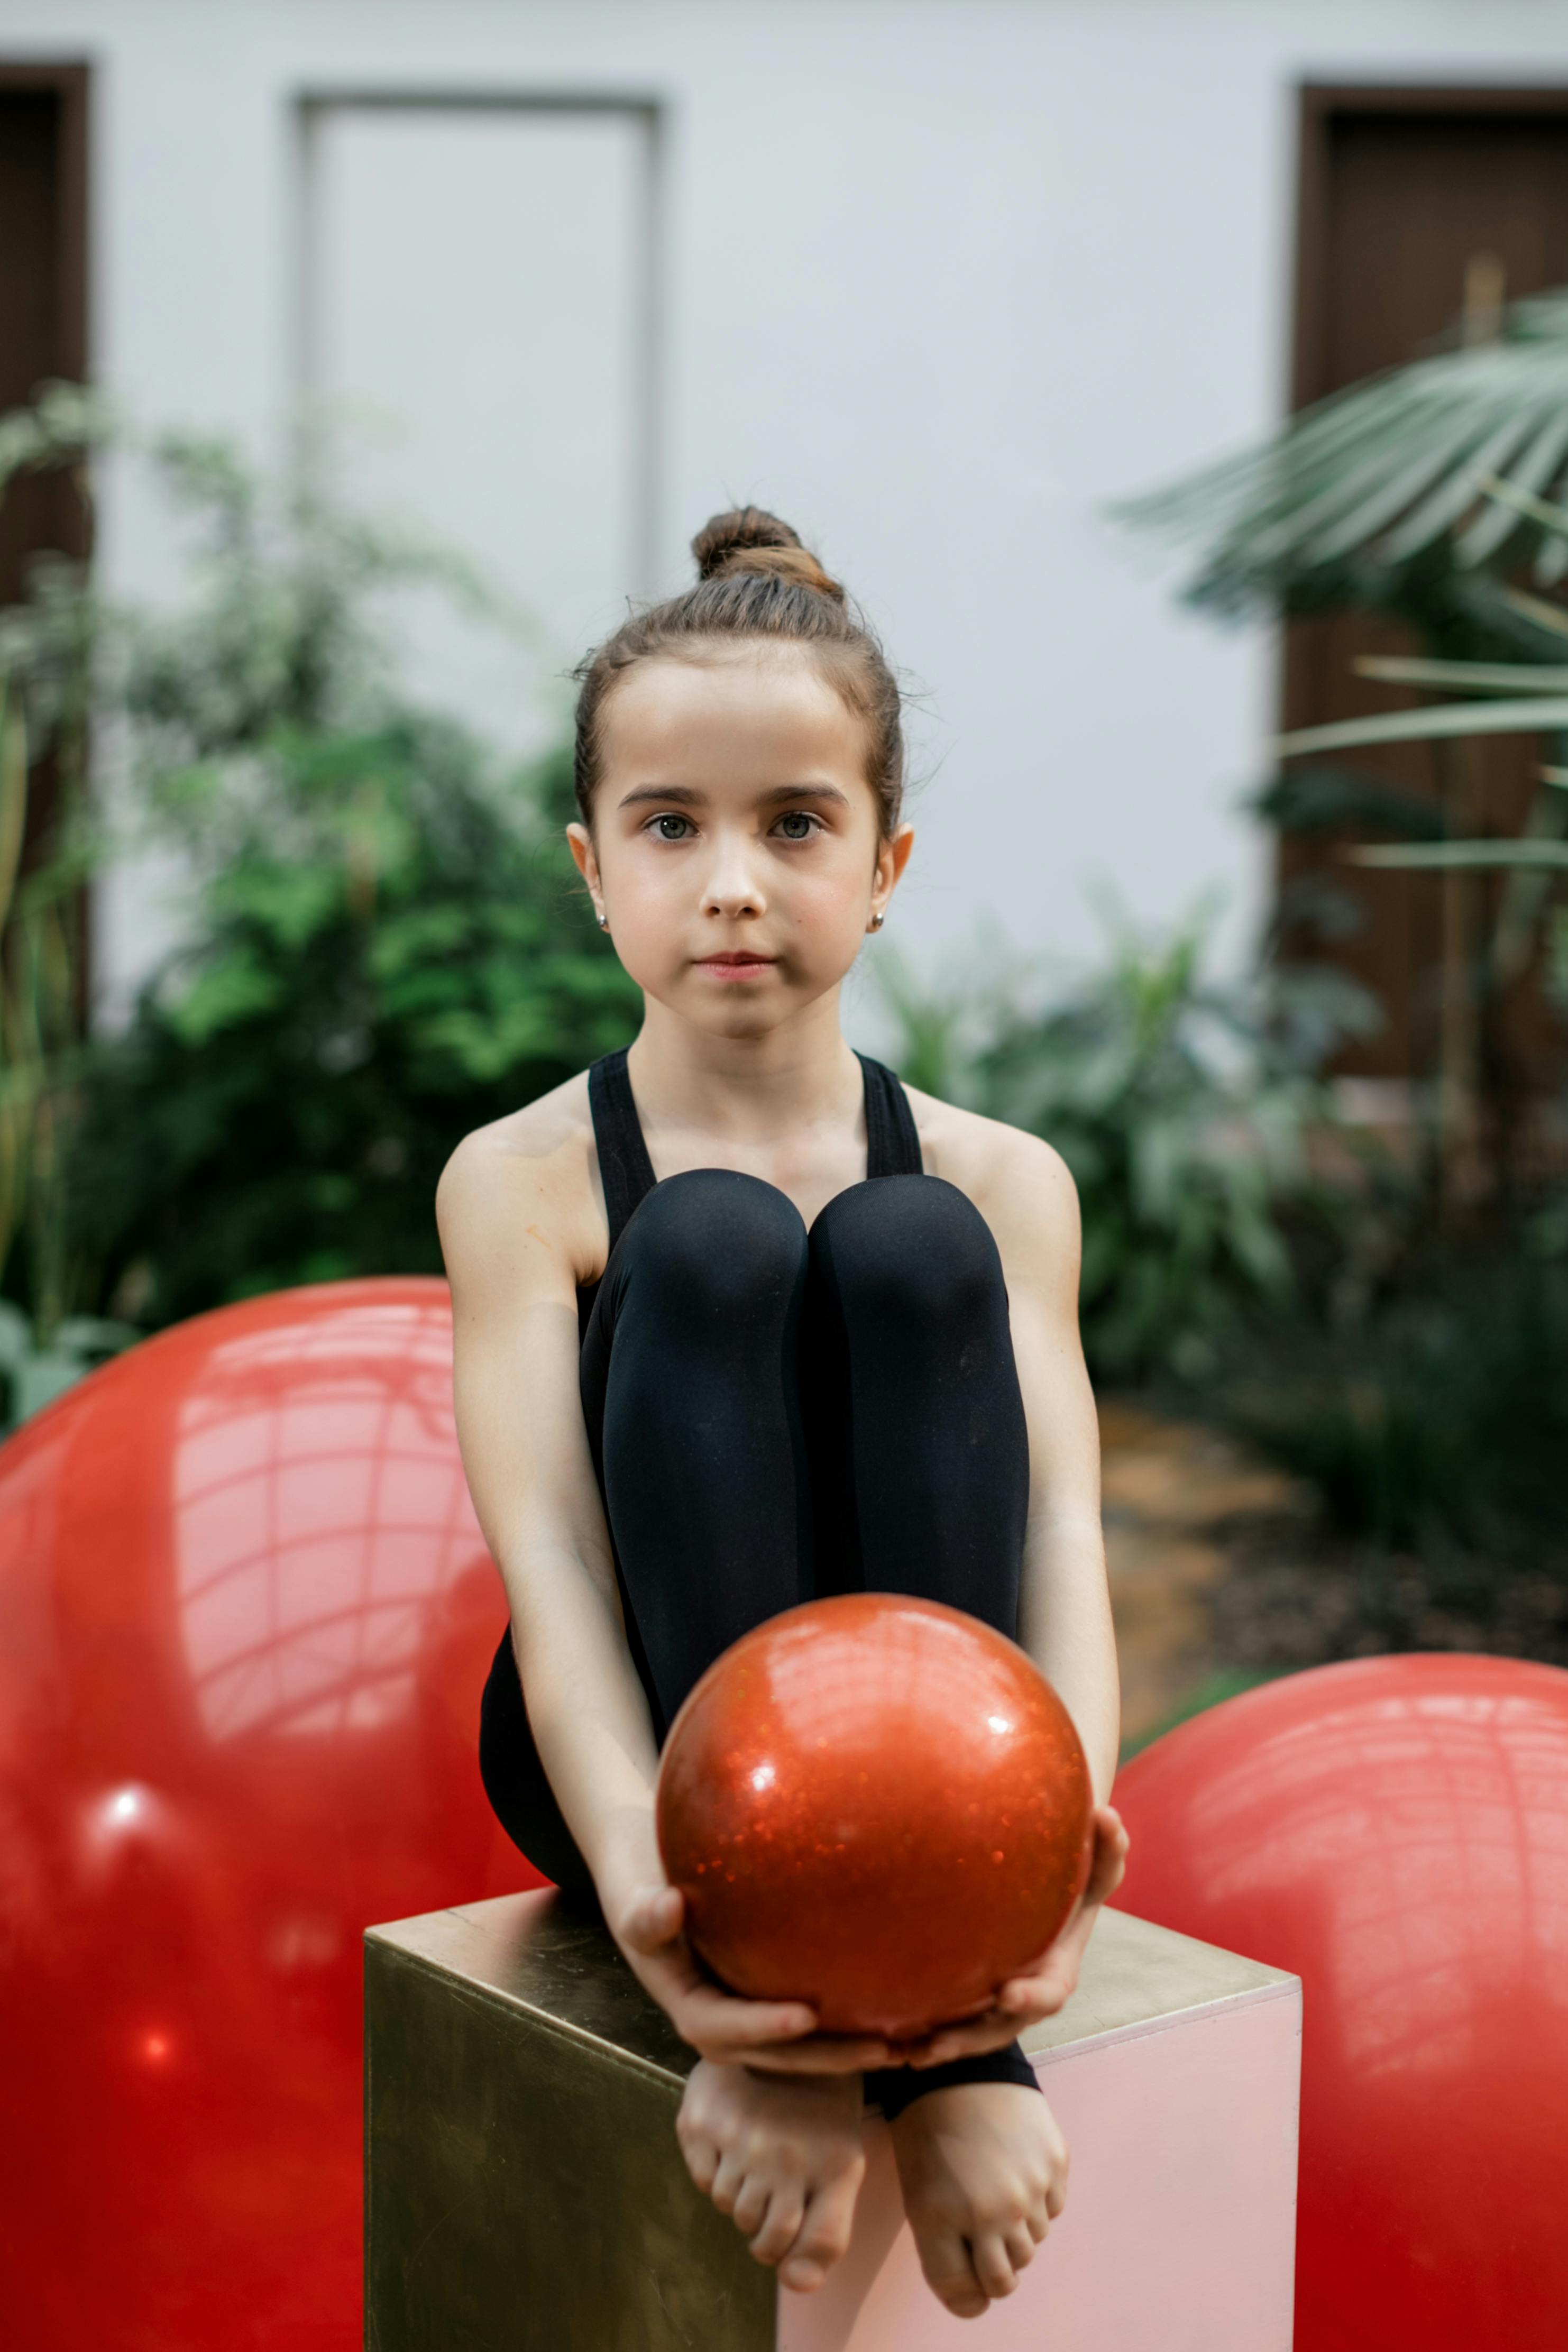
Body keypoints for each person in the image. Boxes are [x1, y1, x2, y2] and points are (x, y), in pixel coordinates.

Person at [437, 507, 1127, 2321]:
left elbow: (1055, 1532)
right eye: (672, 826)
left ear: (887, 862)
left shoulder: (1004, 1179)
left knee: (903, 1245)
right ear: (594, 869)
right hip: (647, 1752)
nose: (732, 881)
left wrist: (1035, 1887)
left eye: (795, 824)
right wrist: (696, 1971)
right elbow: (561, 1570)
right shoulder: (520, 1181)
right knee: (720, 1242)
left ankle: (949, 2057)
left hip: (931, 1759)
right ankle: (811, 2034)